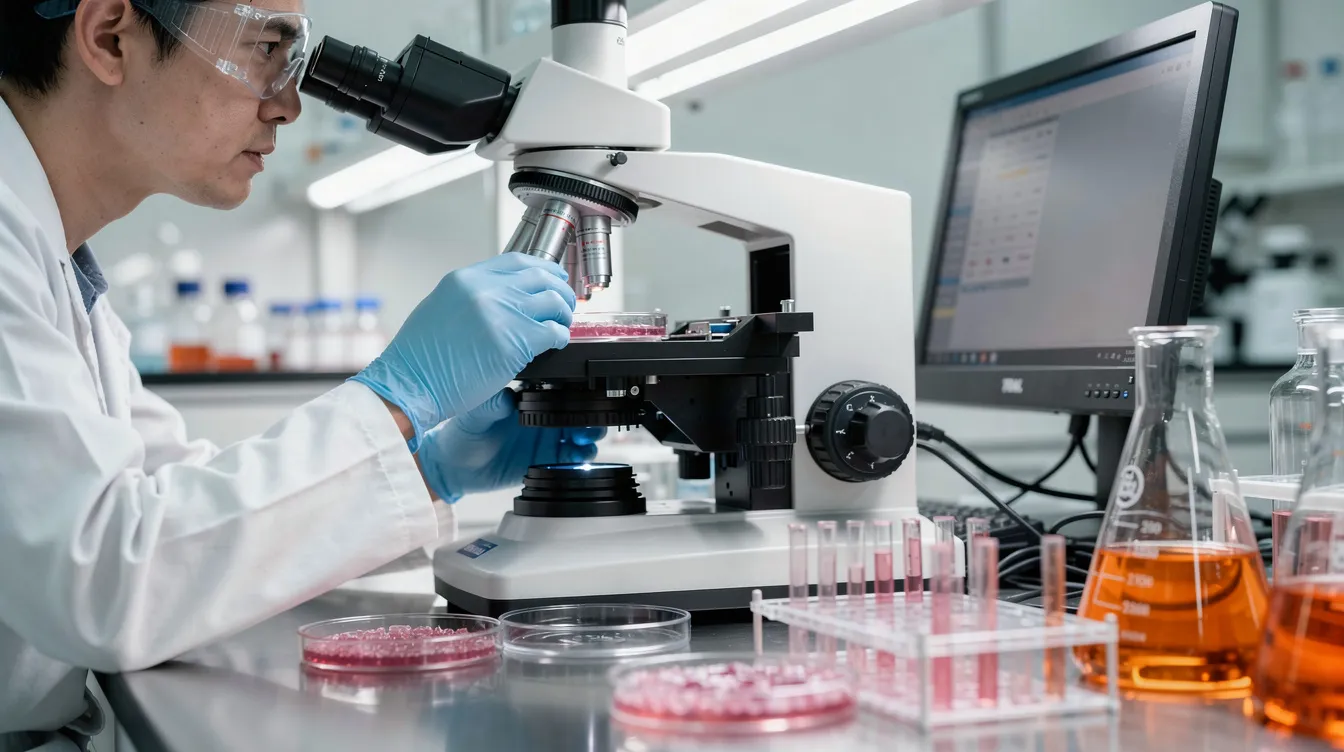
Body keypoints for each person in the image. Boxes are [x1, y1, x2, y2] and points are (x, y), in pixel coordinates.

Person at [0, 0, 603, 744]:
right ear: (110, 37)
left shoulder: (50, 257)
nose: (288, 103)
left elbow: (171, 511)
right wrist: (400, 399)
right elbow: (105, 580)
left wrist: (424, 469)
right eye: (264, 48)